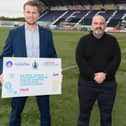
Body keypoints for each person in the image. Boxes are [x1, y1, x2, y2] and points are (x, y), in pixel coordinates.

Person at [0, 0, 57, 126]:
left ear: (39, 14)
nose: (31, 15)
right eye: (28, 12)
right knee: (16, 112)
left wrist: (56, 72)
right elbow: (4, 56)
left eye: (34, 12)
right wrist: (2, 73)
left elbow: (52, 55)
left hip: (41, 79)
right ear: (24, 13)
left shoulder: (47, 34)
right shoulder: (14, 33)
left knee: (45, 113)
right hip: (20, 80)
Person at [75, 15, 121, 126]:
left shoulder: (112, 41)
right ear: (91, 25)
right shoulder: (83, 41)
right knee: (84, 115)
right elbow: (80, 60)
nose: (98, 26)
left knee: (106, 116)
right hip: (87, 84)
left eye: (101, 23)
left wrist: (105, 74)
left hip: (108, 85)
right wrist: (93, 75)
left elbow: (116, 59)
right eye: (96, 23)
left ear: (105, 25)